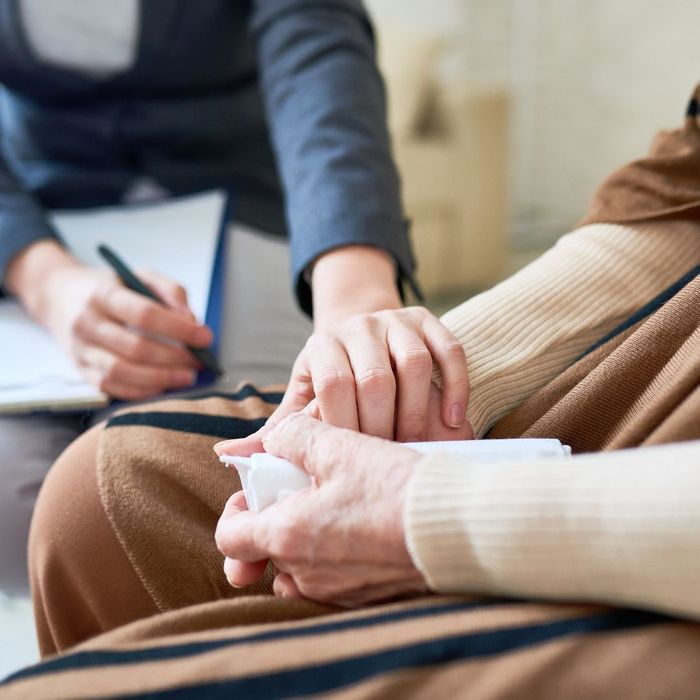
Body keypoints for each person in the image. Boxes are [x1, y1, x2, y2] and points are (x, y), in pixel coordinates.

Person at [0, 0, 471, 594]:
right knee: (10, 506)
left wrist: (354, 296)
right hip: (37, 232)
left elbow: (317, 55)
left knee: (202, 488)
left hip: (245, 207)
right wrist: (47, 282)